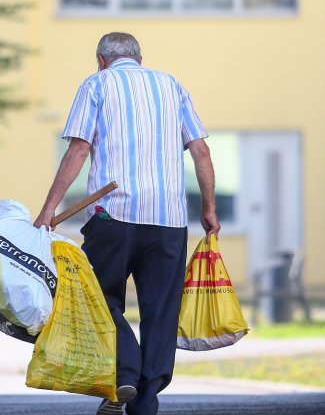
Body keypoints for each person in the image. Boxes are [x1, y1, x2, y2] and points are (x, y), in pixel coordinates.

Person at [34, 32, 219, 415]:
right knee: (160, 311)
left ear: (101, 60)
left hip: (113, 216)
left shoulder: (97, 84)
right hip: (169, 220)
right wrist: (209, 209)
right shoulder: (172, 86)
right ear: (138, 57)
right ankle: (144, 403)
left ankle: (126, 373)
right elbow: (200, 149)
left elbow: (80, 148)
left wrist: (49, 209)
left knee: (98, 297)